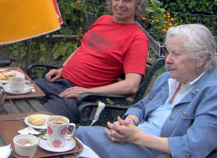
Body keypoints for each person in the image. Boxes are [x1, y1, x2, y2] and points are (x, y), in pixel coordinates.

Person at [75, 24, 217, 158]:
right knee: (78, 136)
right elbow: (142, 106)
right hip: (134, 139)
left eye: (176, 54)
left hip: (156, 152)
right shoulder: (168, 78)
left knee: (79, 139)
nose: (167, 60)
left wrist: (136, 137)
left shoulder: (212, 92)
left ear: (200, 59)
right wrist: (129, 122)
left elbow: (193, 147)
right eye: (168, 53)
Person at [35, 0, 149, 122]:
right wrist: (62, 68)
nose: (119, 4)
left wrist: (86, 91)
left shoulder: (137, 38)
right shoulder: (103, 20)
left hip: (81, 98)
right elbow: (83, 47)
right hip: (59, 83)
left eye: (126, 0)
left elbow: (131, 85)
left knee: (35, 120)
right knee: (16, 94)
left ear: (137, 5)